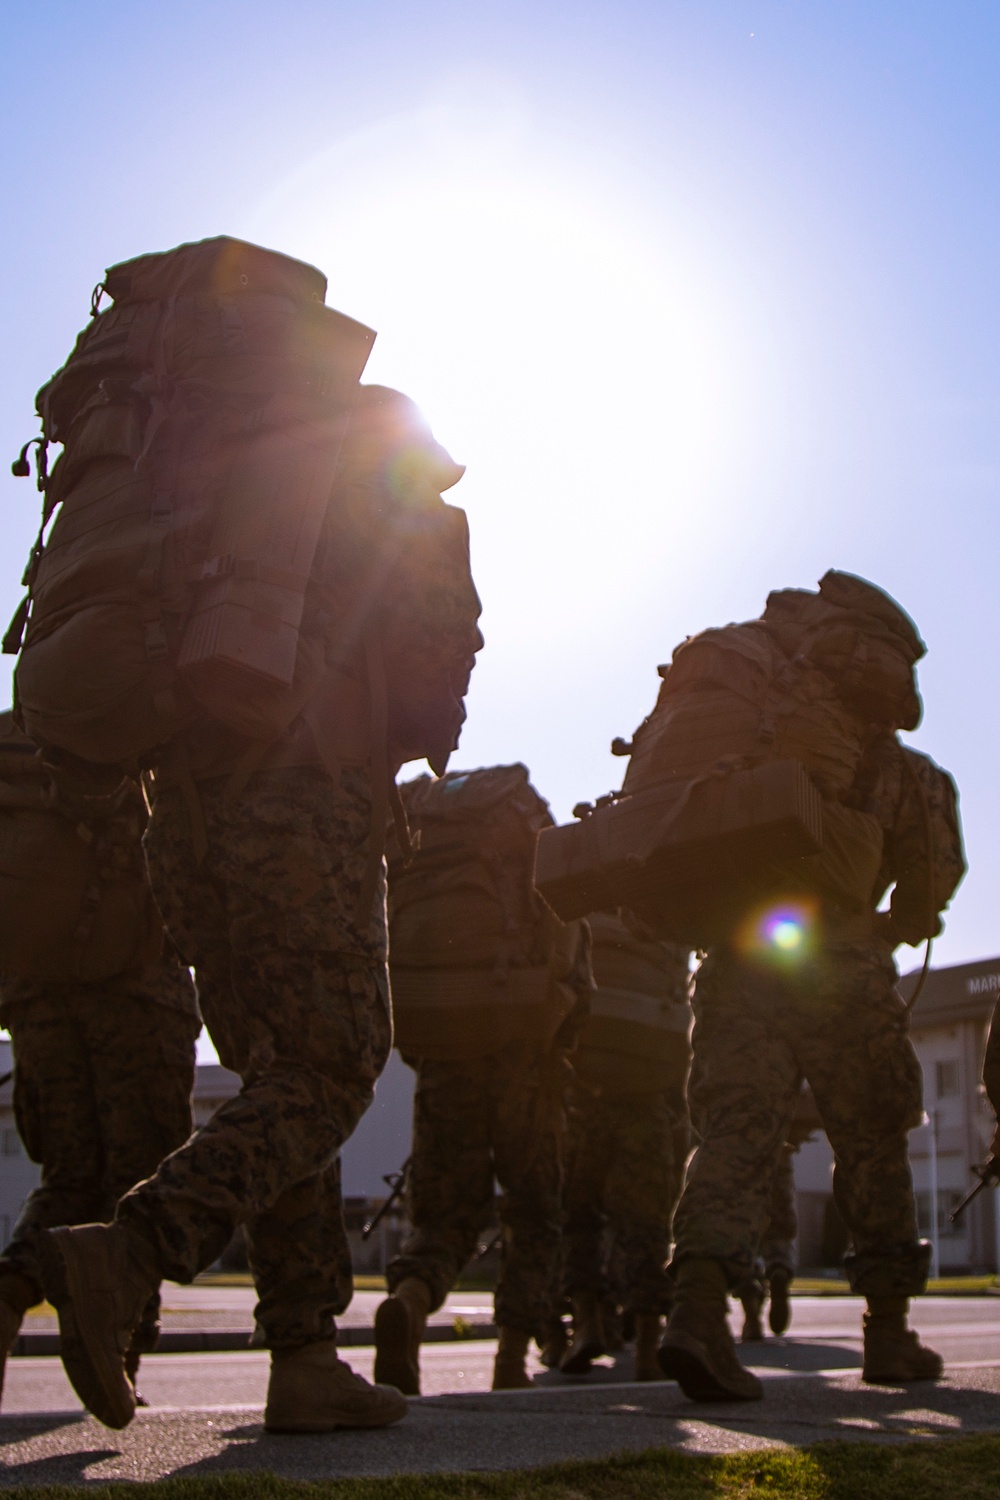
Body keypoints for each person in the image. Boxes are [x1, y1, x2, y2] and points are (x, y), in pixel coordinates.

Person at [39, 387, 483, 1433]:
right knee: (332, 1067)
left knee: (281, 1071)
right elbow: (437, 658)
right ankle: (129, 1252)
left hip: (183, 817)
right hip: (305, 796)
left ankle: (304, 1355)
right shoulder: (390, 504)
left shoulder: (217, 510)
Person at [656, 579, 965, 1402]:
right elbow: (929, 890)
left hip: (737, 960)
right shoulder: (911, 777)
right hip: (845, 974)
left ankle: (695, 1311)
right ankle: (889, 1336)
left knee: (732, 1137)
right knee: (872, 1145)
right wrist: (892, 923)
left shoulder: (765, 737)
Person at [373, 764, 592, 1394]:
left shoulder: (426, 824)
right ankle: (511, 1358)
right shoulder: (525, 818)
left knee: (443, 1212)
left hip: (443, 1041)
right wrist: (567, 1012)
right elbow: (567, 929)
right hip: (523, 1042)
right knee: (533, 1206)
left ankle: (411, 1303)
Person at [0, 719, 199, 1407]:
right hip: (136, 988)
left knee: (68, 1175)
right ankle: (121, 1361)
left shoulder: (25, 746)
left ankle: (7, 1296)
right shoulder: (150, 722)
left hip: (33, 988)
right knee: (137, 1184)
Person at [557, 912, 691, 1381]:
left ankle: (587, 1323)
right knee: (649, 1223)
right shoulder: (664, 915)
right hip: (646, 1098)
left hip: (584, 1096)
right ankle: (651, 1344)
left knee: (578, 1218)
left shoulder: (585, 911)